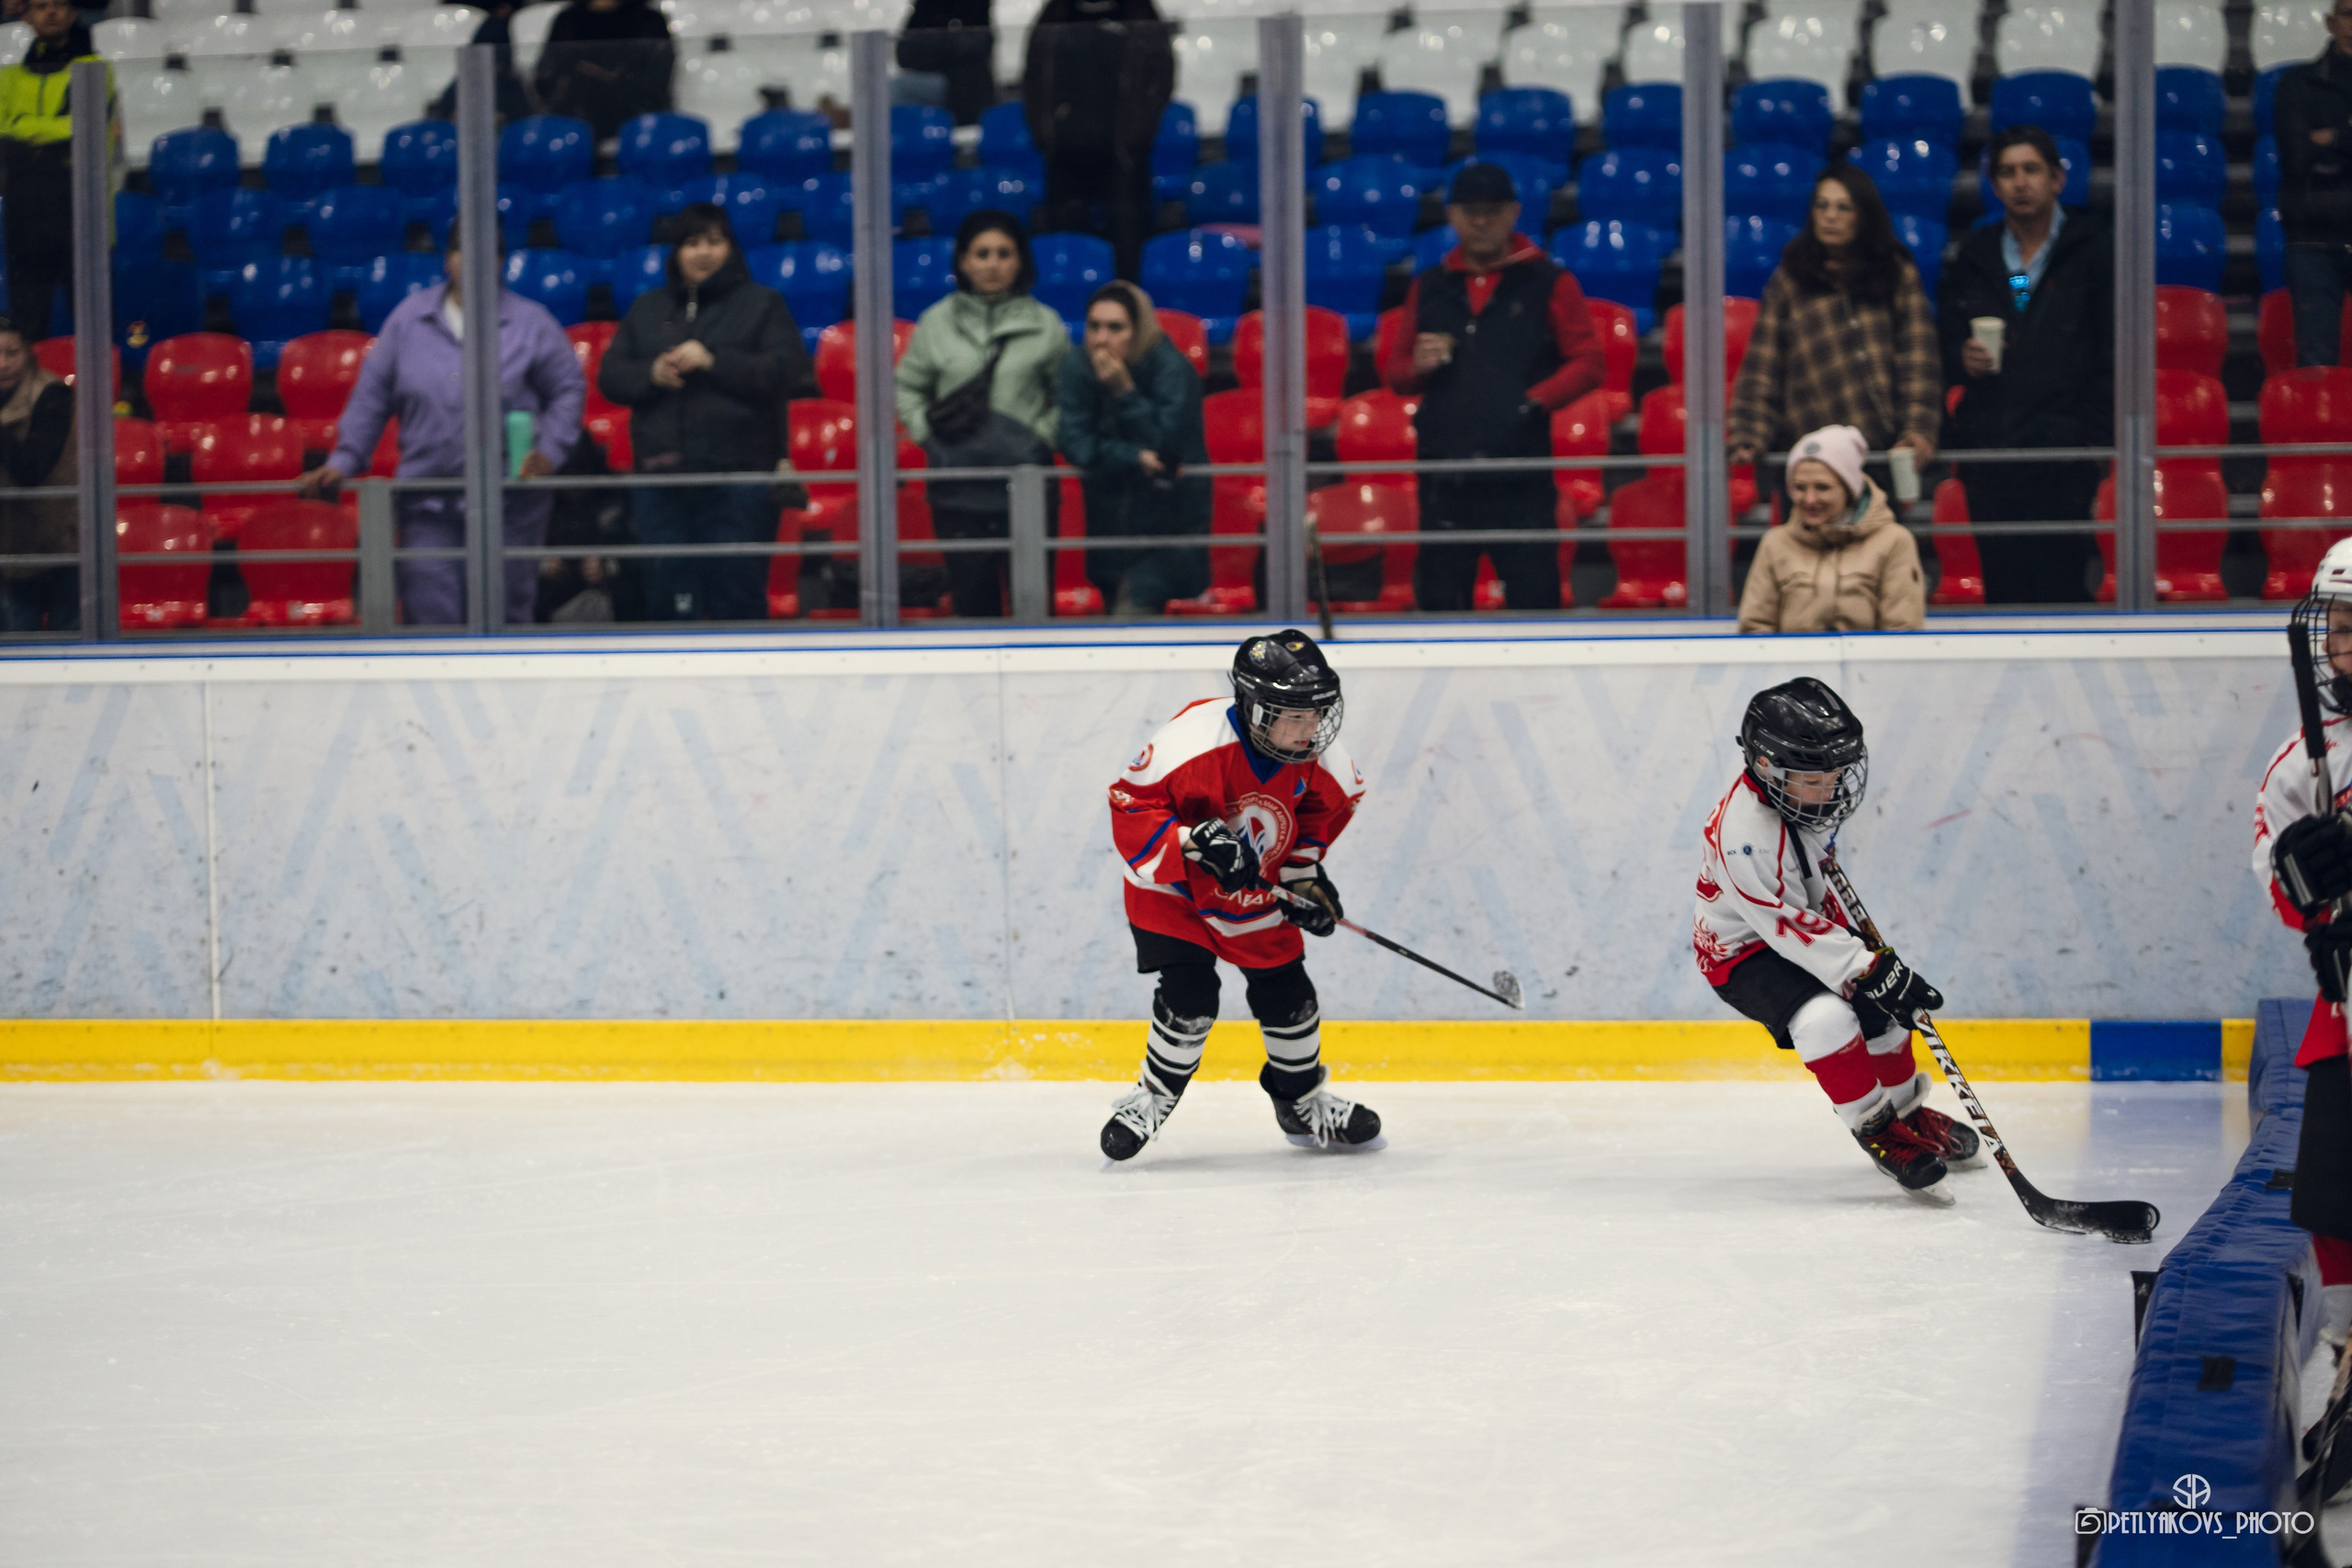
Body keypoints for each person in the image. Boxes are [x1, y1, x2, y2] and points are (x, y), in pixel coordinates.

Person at [1101, 629, 1381, 1159]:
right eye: (1295, 716)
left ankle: (1300, 1103)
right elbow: (1130, 804)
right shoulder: (1189, 743)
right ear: (1254, 708)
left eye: (1317, 715)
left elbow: (1321, 816)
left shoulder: (1324, 760)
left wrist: (1304, 880)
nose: (1311, 729)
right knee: (1191, 998)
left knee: (1291, 999)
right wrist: (1190, 840)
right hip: (1175, 892)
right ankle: (1152, 1098)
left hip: (1252, 895)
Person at [1694, 678, 1977, 1201]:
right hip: (1744, 954)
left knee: (1885, 1010)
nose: (1834, 787)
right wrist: (1865, 967)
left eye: (1836, 773)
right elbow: (1783, 926)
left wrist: (1871, 975)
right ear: (1765, 768)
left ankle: (1909, 1112)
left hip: (1797, 926)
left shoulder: (1798, 798)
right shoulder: (1745, 839)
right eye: (1816, 777)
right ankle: (1878, 1131)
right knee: (1827, 1018)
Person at [297, 234, 585, 626]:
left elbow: (568, 388)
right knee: (430, 616)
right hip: (426, 502)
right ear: (448, 259)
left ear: (500, 261)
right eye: (464, 252)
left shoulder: (533, 323)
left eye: (487, 253)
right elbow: (373, 395)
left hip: (510, 503)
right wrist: (345, 459)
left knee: (506, 615)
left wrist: (549, 452)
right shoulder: (408, 320)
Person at [1379, 162, 1607, 613]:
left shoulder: (1549, 281)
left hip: (1520, 474)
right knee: (1441, 606)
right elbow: (1397, 374)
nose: (1480, 221)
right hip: (1445, 474)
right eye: (1469, 210)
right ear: (1452, 215)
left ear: (1513, 212)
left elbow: (1590, 362)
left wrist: (1534, 403)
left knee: (1534, 602)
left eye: (1491, 210)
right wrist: (1419, 366)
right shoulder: (1430, 285)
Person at [598, 204, 814, 623]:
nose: (703, 252)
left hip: (742, 480)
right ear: (676, 252)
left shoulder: (763, 304)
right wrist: (652, 373)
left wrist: (714, 360)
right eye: (692, 242)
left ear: (731, 248)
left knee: (739, 598)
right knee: (668, 602)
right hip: (663, 482)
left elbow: (788, 372)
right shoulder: (647, 308)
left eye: (715, 241)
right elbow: (611, 377)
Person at [1937, 125, 2114, 606]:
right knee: (2002, 587)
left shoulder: (2094, 247)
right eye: (2008, 172)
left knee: (2062, 582)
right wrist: (1962, 358)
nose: (2020, 182)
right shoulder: (1977, 252)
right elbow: (1946, 338)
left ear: (2057, 179)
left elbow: (2111, 349)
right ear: (1994, 186)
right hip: (1992, 449)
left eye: (2031, 170)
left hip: (2063, 447)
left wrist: (2096, 439)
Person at [2252, 538, 2352, 1366]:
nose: (2345, 645)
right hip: (2349, 1002)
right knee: (2332, 1184)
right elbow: (2279, 882)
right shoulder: (2300, 767)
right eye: (2340, 627)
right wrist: (2308, 893)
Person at [893, 209, 1063, 618]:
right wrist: (926, 435)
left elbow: (1067, 398)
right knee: (972, 608)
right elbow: (907, 387)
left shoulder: (1046, 325)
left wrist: (1040, 437)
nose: (992, 264)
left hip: (1026, 486)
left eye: (1003, 253)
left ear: (1020, 261)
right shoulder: (935, 323)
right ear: (963, 261)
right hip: (958, 486)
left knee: (1034, 608)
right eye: (981, 253)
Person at [1728, 165, 1939, 473]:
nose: (1830, 216)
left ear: (1864, 215)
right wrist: (1750, 433)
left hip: (1879, 451)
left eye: (1844, 207)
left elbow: (1918, 360)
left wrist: (1917, 429)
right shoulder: (1790, 277)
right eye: (1822, 205)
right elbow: (1764, 365)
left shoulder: (1895, 272)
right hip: (1808, 455)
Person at [1055, 280, 1208, 614]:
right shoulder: (1077, 367)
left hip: (1166, 527)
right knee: (1119, 617)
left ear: (1138, 331)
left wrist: (1125, 392)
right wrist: (1133, 457)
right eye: (1094, 327)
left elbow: (1167, 448)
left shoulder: (1172, 370)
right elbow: (1075, 444)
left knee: (1131, 619)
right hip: (1107, 527)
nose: (1101, 339)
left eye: (1115, 328)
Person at [1022, 0, 1172, 283]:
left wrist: (1136, 138)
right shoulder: (1054, 14)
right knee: (1066, 247)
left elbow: (1159, 81)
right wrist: (1046, 137)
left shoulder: (1139, 13)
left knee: (1128, 243)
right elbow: (1033, 79)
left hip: (1123, 156)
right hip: (1064, 156)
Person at [1736, 424, 1925, 635]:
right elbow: (1754, 629)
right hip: (1791, 667)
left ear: (1849, 488)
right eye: (1799, 487)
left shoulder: (1895, 541)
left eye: (1822, 487)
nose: (1809, 499)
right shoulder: (1775, 543)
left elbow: (1903, 631)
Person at [0, 0, 110, 342]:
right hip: (24, 209)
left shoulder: (94, 70)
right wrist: (54, 132)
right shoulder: (9, 77)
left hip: (77, 204)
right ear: (27, 17)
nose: (51, 13)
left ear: (73, 13)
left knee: (90, 317)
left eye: (59, 5)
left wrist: (23, 131)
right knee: (28, 319)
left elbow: (84, 129)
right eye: (40, 6)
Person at [2277, 0, 2352, 367]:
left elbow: (2314, 152)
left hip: (2317, 225)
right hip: (2314, 236)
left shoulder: (2300, 87)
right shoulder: (2296, 84)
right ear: (2330, 22)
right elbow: (2296, 157)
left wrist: (2334, 139)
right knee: (2316, 363)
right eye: (2349, 13)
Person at [0, 315, 75, 631]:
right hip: (8, 553)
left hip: (61, 546)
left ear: (29, 353)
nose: (2, 364)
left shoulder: (53, 395)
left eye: (11, 353)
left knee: (72, 654)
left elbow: (31, 470)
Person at [532, 0, 674, 141]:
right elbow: (547, 78)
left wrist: (610, 78)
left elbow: (656, 82)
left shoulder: (649, 20)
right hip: (577, 117)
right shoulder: (568, 21)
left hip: (634, 116)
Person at [895, 0, 995, 126]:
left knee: (898, 87)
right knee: (897, 86)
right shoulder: (927, 5)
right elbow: (903, 53)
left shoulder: (974, 5)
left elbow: (977, 46)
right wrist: (947, 48)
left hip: (964, 86)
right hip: (936, 77)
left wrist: (932, 47)